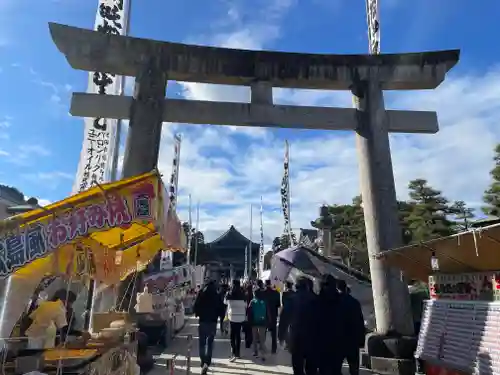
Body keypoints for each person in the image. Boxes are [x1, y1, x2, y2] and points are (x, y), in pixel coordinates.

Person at [279, 277, 318, 375]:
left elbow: (283, 319)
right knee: (311, 368)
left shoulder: (291, 299)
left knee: (297, 367)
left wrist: (281, 336)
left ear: (296, 286)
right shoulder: (316, 299)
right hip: (312, 338)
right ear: (308, 286)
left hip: (296, 338)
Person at [316, 275, 345, 375]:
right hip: (339, 343)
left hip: (321, 344)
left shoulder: (315, 302)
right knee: (336, 370)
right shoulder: (343, 301)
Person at [194, 280, 224, 375]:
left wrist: (197, 314)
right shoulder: (217, 295)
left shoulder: (201, 294)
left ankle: (202, 361)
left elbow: (195, 306)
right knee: (210, 343)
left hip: (202, 321)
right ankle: (207, 362)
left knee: (202, 343)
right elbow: (221, 308)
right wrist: (219, 316)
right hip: (213, 322)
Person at [337, 279, 365, 375]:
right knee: (354, 368)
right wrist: (361, 340)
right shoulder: (354, 302)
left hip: (338, 341)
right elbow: (360, 322)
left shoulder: (333, 302)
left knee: (336, 367)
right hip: (353, 340)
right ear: (345, 288)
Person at [225, 280, 247, 361]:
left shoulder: (229, 293)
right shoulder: (243, 294)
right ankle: (238, 353)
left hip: (232, 317)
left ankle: (233, 352)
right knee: (238, 335)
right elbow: (246, 305)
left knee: (232, 336)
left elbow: (225, 302)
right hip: (241, 317)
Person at [247, 286, 268, 361]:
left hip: (254, 322)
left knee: (254, 338)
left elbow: (249, 312)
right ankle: (263, 353)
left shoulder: (252, 301)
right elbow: (267, 312)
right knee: (262, 339)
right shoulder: (264, 301)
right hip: (263, 322)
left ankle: (255, 352)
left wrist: (249, 321)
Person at [263, 280, 281, 353]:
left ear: (265, 284)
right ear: (270, 284)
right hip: (273, 314)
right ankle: (274, 349)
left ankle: (262, 347)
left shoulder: (262, 293)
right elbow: (278, 305)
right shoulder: (276, 293)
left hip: (264, 314)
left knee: (263, 332)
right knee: (273, 333)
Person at [242, 282, 254, 349]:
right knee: (251, 329)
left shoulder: (245, 296)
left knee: (246, 329)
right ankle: (250, 340)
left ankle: (247, 342)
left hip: (246, 314)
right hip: (252, 314)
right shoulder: (253, 296)